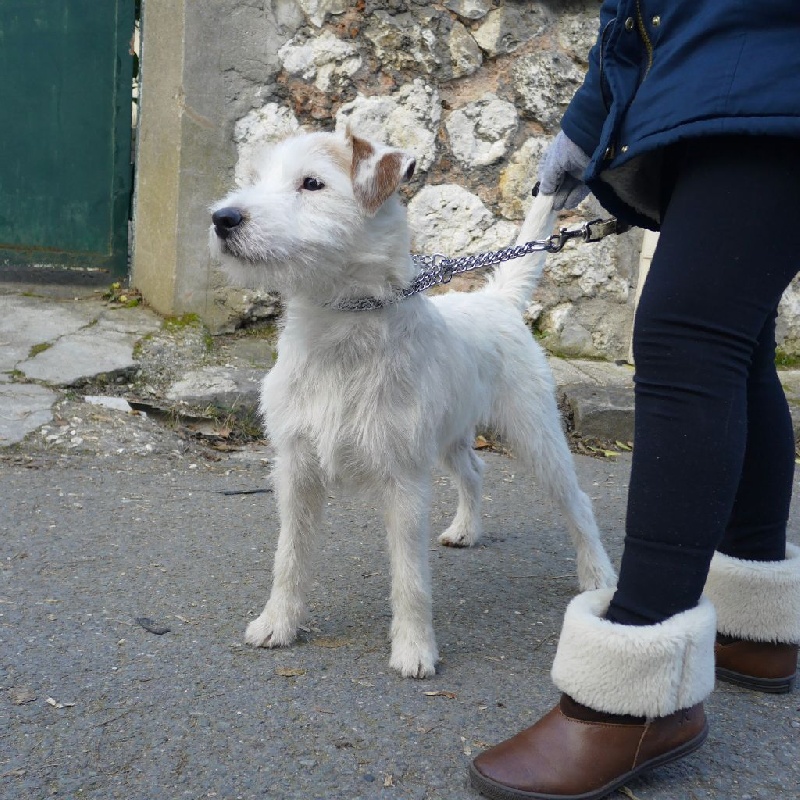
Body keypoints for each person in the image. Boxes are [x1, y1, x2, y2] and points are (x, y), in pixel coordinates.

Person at [469, 2, 800, 799]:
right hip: (709, 82)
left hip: (771, 68)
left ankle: (630, 698)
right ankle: (756, 628)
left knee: (689, 339)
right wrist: (589, 120)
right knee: (736, 339)